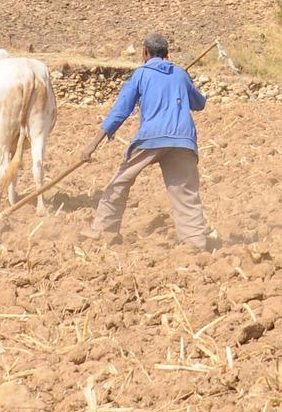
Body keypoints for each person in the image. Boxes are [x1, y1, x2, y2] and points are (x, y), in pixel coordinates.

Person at [82, 33, 211, 250]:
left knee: (121, 181)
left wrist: (93, 144)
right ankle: (195, 241)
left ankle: (103, 230)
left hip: (152, 136)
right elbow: (199, 103)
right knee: (185, 192)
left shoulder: (141, 74)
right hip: (182, 139)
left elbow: (120, 111)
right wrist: (184, 83)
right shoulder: (180, 74)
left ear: (144, 53)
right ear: (167, 54)